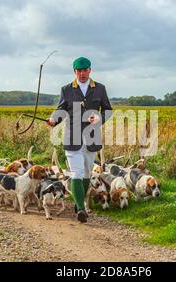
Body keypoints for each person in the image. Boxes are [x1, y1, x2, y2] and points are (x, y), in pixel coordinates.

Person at [47, 57, 112, 223]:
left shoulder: (100, 89)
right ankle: (81, 209)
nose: (82, 73)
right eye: (79, 71)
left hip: (92, 137)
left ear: (90, 70)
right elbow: (60, 109)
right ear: (74, 72)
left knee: (87, 174)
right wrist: (54, 120)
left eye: (85, 70)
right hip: (72, 137)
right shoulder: (66, 90)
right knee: (76, 173)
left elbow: (108, 111)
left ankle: (77, 202)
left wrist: (98, 118)